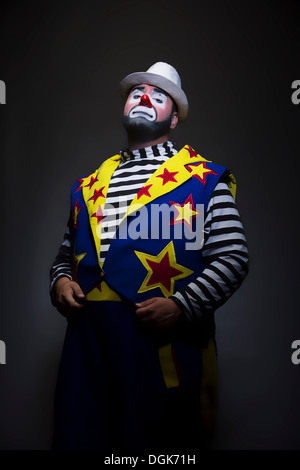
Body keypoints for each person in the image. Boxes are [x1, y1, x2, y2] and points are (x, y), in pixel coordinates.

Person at [50, 62, 249, 452]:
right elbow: (66, 254)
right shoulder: (88, 185)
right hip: (85, 344)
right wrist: (60, 281)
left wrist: (182, 306)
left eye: (158, 96)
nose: (143, 97)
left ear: (174, 119)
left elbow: (233, 255)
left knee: (158, 446)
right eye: (136, 93)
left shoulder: (204, 179)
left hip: (159, 342)